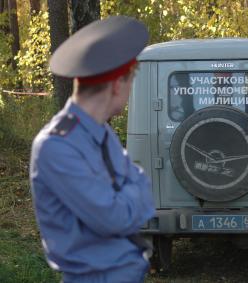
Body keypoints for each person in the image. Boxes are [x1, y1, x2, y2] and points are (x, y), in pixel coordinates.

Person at [29, 16, 155, 283]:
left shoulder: (101, 131)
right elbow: (116, 216)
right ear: (117, 84)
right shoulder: (56, 146)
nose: (130, 90)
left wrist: (128, 193)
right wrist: (132, 193)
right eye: (131, 81)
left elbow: (140, 185)